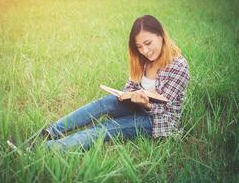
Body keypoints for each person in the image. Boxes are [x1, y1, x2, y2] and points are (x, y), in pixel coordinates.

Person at [11, 15, 190, 152]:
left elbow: (166, 108)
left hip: (159, 121)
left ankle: (39, 150)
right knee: (105, 102)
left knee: (105, 128)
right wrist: (126, 95)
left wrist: (145, 104)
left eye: (148, 43)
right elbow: (130, 88)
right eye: (139, 47)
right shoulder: (142, 60)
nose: (144, 50)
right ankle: (49, 132)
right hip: (139, 106)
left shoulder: (177, 66)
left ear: (161, 35)